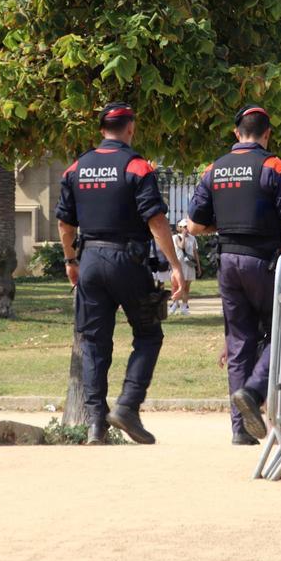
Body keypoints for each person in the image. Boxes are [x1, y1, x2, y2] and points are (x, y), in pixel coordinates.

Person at [55, 102, 185, 445]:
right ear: (131, 128)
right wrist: (175, 266)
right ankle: (127, 406)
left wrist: (71, 261)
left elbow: (65, 224)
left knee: (94, 343)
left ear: (101, 131)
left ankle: (95, 424)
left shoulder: (76, 168)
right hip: (128, 261)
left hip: (91, 261)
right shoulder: (137, 167)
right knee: (148, 333)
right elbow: (156, 220)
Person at [186, 104, 281, 445]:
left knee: (239, 341)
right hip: (265, 262)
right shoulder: (274, 166)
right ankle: (255, 391)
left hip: (227, 262)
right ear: (268, 133)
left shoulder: (214, 169)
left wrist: (224, 225)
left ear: (236, 132)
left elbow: (196, 225)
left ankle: (240, 430)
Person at [168, 219, 200, 317]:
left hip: (189, 265)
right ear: (180, 228)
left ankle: (184, 307)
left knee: (186, 287)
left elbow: (195, 253)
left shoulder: (193, 238)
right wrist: (184, 237)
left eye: (187, 227)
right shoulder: (175, 237)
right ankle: (174, 304)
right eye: (184, 227)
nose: (187, 229)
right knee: (176, 286)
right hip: (178, 264)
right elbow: (181, 246)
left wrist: (198, 267)